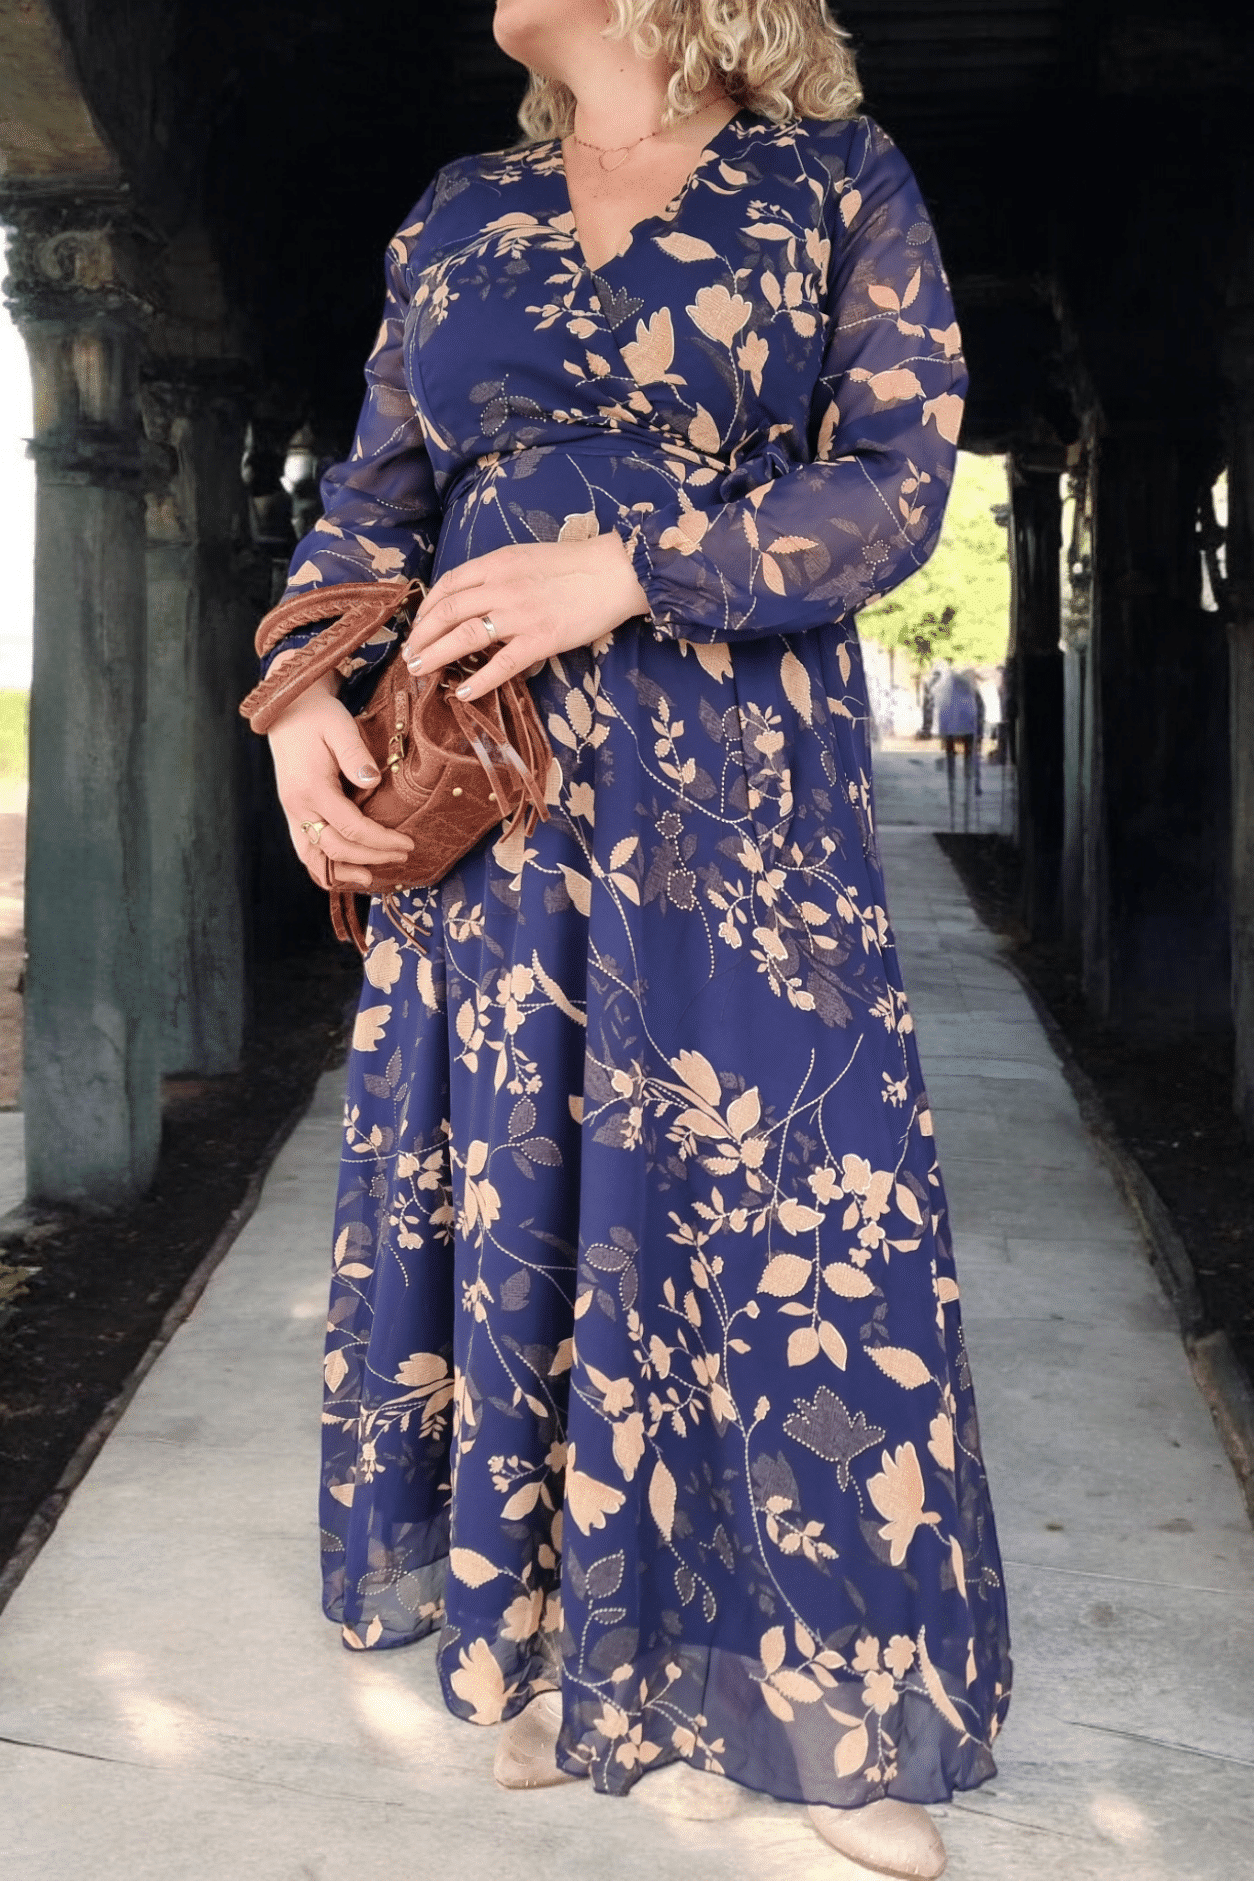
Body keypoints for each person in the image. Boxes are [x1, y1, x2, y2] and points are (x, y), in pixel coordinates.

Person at [261, 3, 1012, 1873]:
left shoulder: (831, 179)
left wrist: (629, 566)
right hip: (494, 798)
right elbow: (370, 497)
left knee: (790, 1205)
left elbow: (898, 480)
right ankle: (550, 1651)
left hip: (738, 784)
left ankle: (827, 1700)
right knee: (523, 1180)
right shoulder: (458, 208)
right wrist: (297, 700)